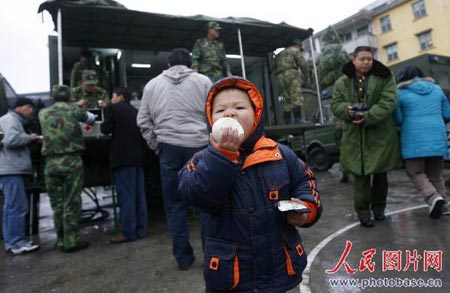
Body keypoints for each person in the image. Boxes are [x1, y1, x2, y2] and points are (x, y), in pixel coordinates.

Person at [178, 76, 322, 292]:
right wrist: (222, 156)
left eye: (239, 107)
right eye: (220, 110)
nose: (230, 113)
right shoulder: (200, 161)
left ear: (256, 114)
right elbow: (196, 195)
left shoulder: (280, 154)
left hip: (280, 274)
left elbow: (305, 182)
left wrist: (305, 209)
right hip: (231, 277)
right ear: (210, 119)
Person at [137, 48, 212, 270]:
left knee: (174, 206)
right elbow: (215, 113)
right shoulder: (204, 81)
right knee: (206, 204)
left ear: (168, 66)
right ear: (191, 65)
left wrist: (156, 144)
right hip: (199, 147)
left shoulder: (152, 85)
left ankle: (184, 259)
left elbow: (143, 120)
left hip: (168, 147)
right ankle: (211, 258)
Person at [331, 46, 401, 228]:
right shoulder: (342, 81)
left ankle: (379, 209)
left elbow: (389, 102)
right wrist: (347, 111)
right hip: (355, 137)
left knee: (380, 175)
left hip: (379, 135)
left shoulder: (385, 77)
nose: (366, 62)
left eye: (369, 58)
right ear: (353, 60)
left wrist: (368, 116)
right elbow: (336, 104)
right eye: (362, 59)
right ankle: (363, 213)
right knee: (359, 176)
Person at [39, 85, 96, 252]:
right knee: (72, 201)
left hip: (50, 163)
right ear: (70, 97)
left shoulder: (43, 113)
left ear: (53, 98)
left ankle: (61, 240)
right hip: (71, 161)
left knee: (57, 203)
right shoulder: (74, 110)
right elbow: (91, 119)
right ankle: (71, 241)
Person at [394, 65, 450, 218]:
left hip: (414, 139)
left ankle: (432, 197)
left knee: (415, 171)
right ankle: (443, 205)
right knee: (435, 174)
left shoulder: (400, 93)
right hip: (438, 137)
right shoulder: (437, 89)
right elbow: (447, 113)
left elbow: (398, 119)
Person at [100, 87, 148, 243]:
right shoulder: (135, 111)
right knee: (139, 196)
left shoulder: (113, 109)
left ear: (120, 97)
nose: (112, 99)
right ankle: (141, 230)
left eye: (113, 96)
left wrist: (105, 109)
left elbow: (105, 128)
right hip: (137, 158)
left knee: (126, 196)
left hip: (122, 158)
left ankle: (128, 232)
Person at [0, 97, 40, 255]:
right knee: (16, 207)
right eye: (29, 107)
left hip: (8, 168)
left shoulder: (4, 119)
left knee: (11, 207)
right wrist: (31, 137)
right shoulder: (11, 120)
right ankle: (16, 243)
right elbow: (10, 140)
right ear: (19, 107)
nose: (31, 111)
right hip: (11, 169)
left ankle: (13, 241)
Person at [272, 38, 310, 124]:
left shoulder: (280, 54)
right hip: (291, 74)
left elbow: (272, 66)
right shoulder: (295, 50)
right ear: (297, 45)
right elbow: (303, 64)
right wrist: (307, 76)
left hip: (280, 76)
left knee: (286, 98)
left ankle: (287, 121)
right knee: (296, 95)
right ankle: (298, 119)